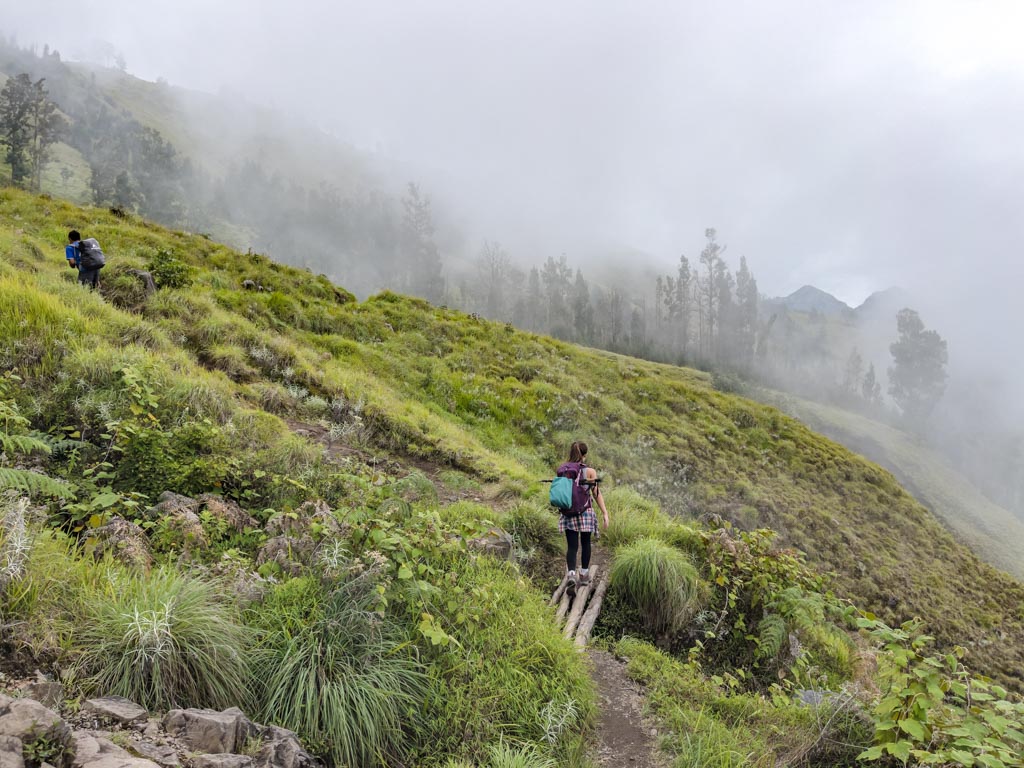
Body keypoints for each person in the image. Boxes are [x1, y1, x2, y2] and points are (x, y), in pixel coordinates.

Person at [558, 440, 610, 596]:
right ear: (585, 455)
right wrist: (605, 513)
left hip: (568, 512)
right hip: (585, 512)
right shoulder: (590, 472)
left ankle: (572, 574)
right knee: (586, 543)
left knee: (572, 546)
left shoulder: (562, 470)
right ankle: (585, 575)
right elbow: (596, 493)